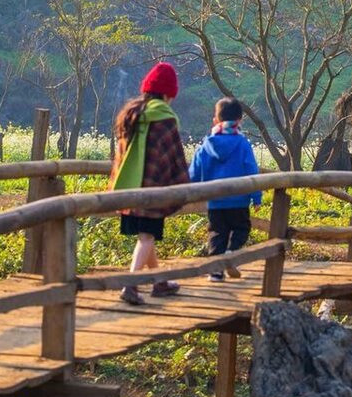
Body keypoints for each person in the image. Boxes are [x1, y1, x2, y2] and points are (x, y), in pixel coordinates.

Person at [109, 61, 190, 307]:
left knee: (147, 235)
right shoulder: (164, 118)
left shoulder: (131, 114)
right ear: (168, 93)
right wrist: (181, 182)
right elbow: (173, 155)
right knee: (147, 237)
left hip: (129, 187)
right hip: (152, 189)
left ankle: (159, 282)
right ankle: (130, 284)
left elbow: (122, 154)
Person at [188, 98, 262, 281]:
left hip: (215, 201)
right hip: (239, 200)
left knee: (217, 234)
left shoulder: (206, 145)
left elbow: (194, 172)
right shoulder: (242, 144)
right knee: (242, 229)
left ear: (215, 120)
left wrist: (192, 192)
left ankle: (215, 272)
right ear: (240, 120)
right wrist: (257, 196)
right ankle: (232, 252)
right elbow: (251, 170)